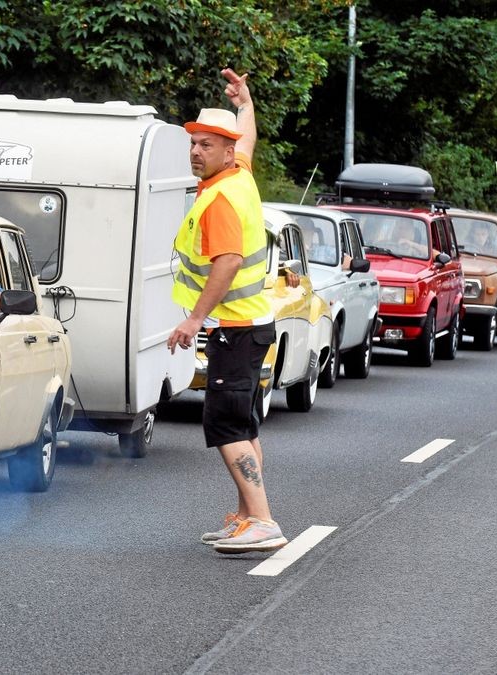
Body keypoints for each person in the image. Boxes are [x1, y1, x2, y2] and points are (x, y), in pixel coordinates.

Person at [167, 69, 292, 554]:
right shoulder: (238, 173)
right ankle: (246, 516)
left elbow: (228, 262)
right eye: (193, 143)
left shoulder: (220, 198)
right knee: (241, 424)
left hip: (236, 328)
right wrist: (245, 102)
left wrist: (194, 318)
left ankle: (262, 520)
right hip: (250, 325)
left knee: (225, 425)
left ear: (223, 151)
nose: (197, 151)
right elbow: (250, 138)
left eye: (206, 145)